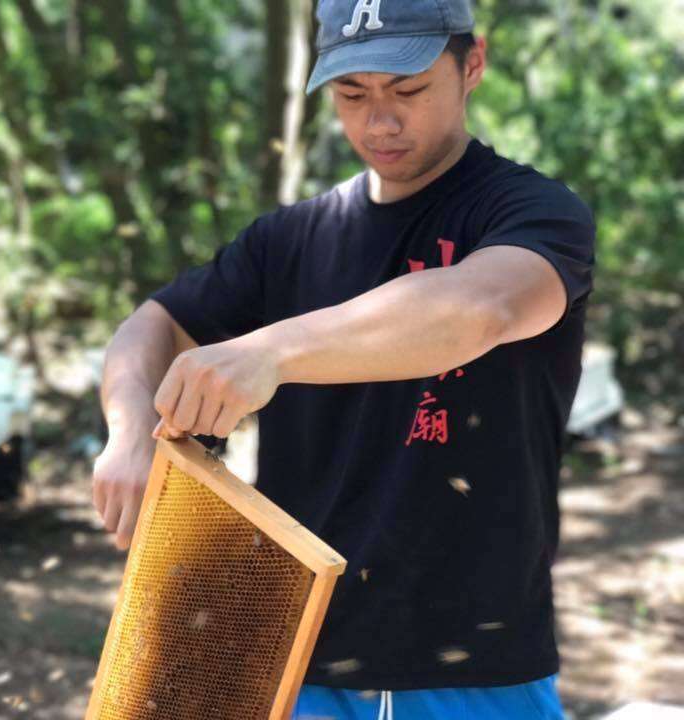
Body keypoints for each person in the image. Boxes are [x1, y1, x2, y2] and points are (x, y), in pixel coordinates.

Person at [92, 0, 595, 717]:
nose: (379, 122)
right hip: (287, 652)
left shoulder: (533, 213)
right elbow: (150, 328)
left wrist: (269, 350)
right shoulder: (290, 239)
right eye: (352, 94)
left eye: (408, 89)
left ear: (473, 64)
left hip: (469, 661)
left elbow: (480, 308)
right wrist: (127, 435)